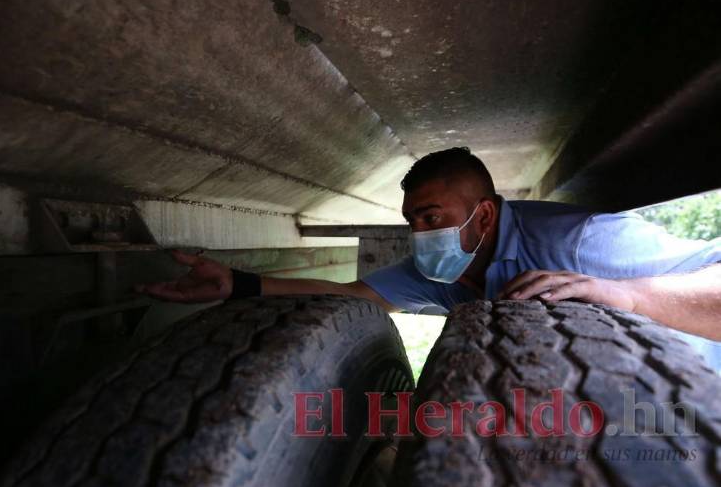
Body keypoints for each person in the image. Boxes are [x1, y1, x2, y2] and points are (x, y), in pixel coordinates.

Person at [137, 147, 721, 366]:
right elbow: (355, 298)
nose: (421, 234)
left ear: (485, 215)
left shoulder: (579, 240)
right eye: (414, 221)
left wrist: (627, 295)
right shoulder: (443, 271)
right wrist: (236, 285)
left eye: (433, 218)